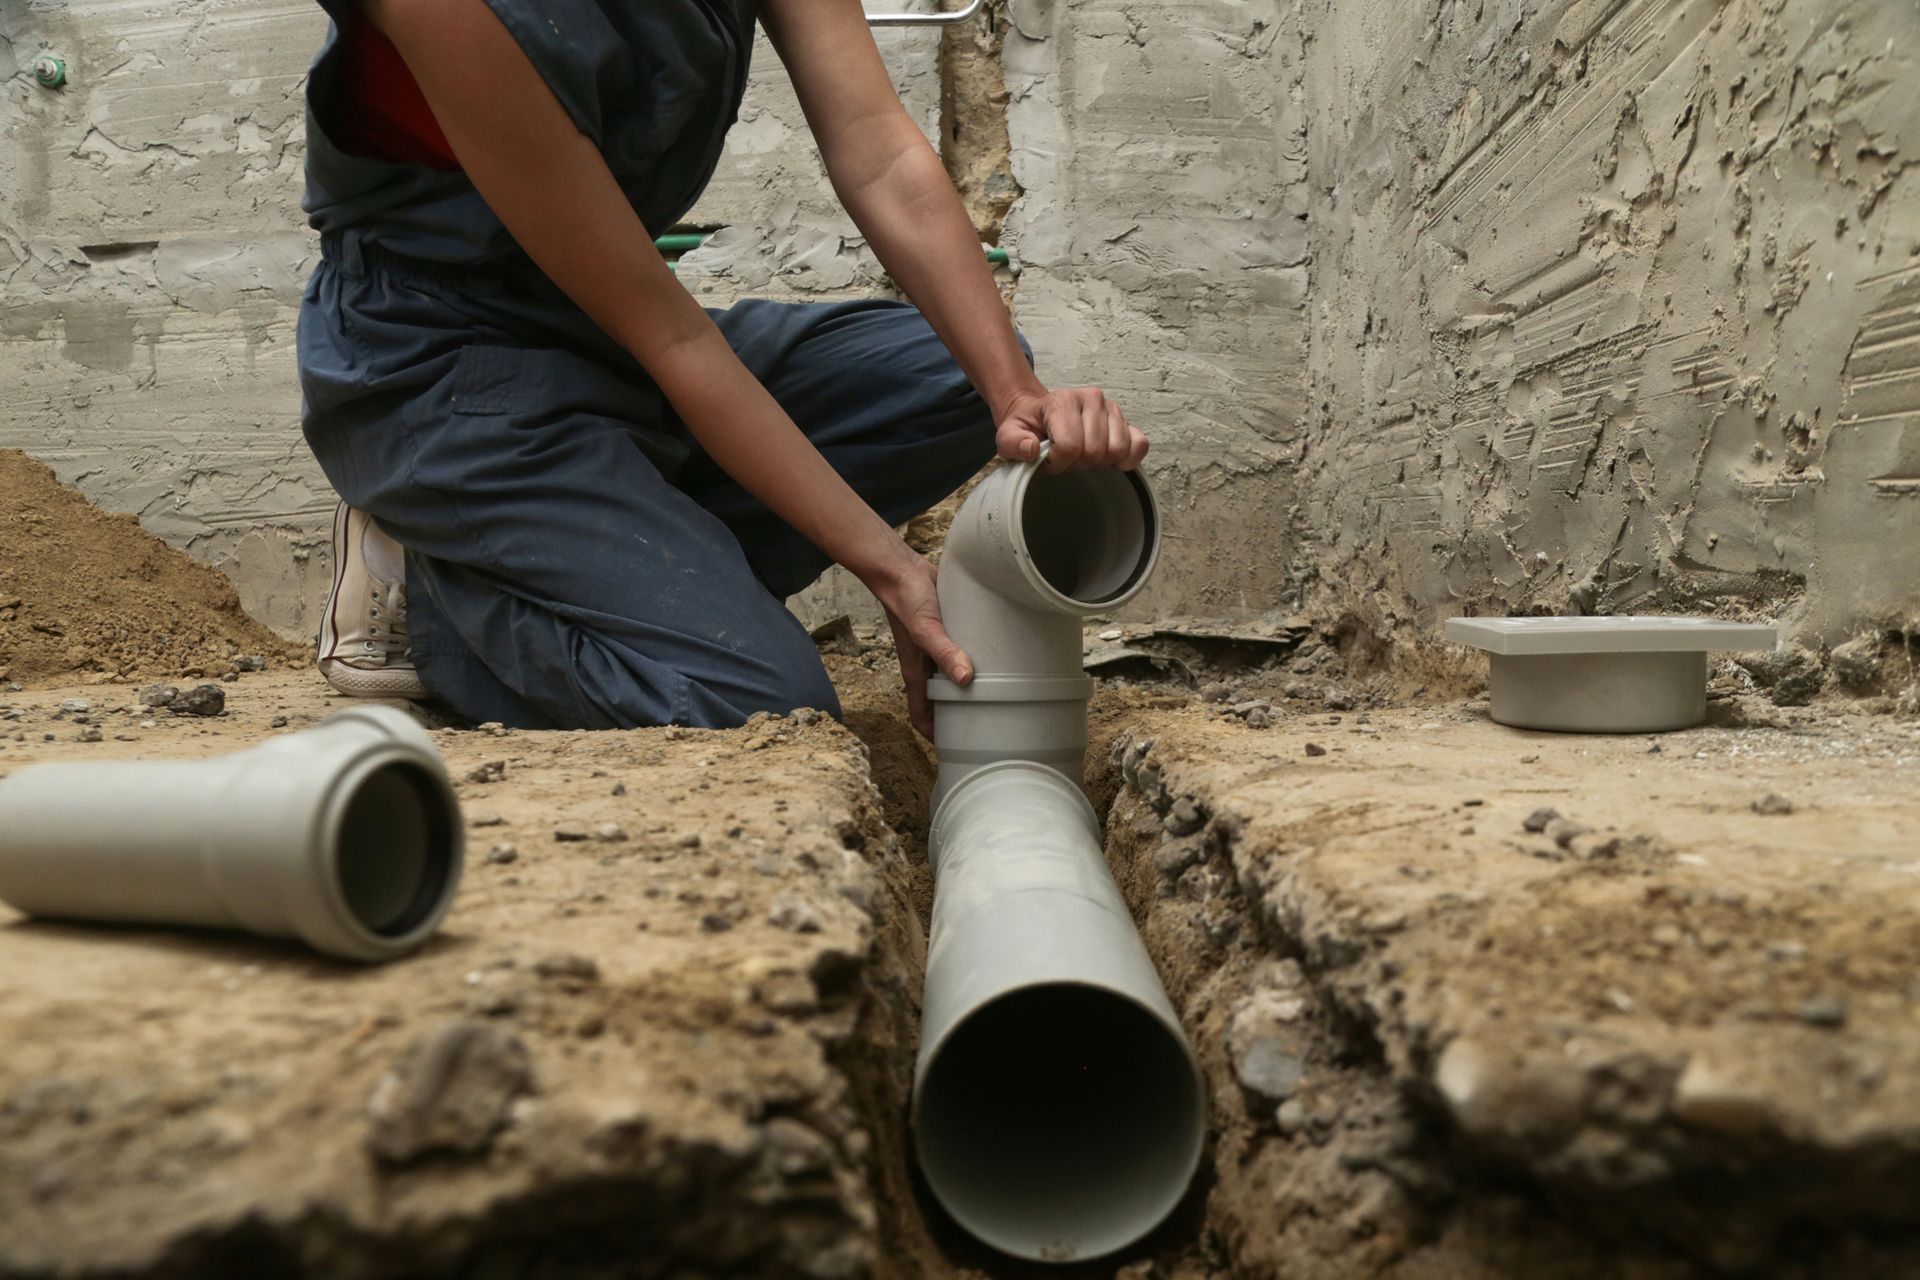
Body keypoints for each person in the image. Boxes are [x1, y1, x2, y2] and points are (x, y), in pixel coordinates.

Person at [299, 0, 1147, 738]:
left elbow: (879, 154)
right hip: (443, 355)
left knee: (956, 377)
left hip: (605, 336)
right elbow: (671, 337)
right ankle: (432, 591)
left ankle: (640, 571)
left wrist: (1017, 397)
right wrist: (889, 565)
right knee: (752, 698)